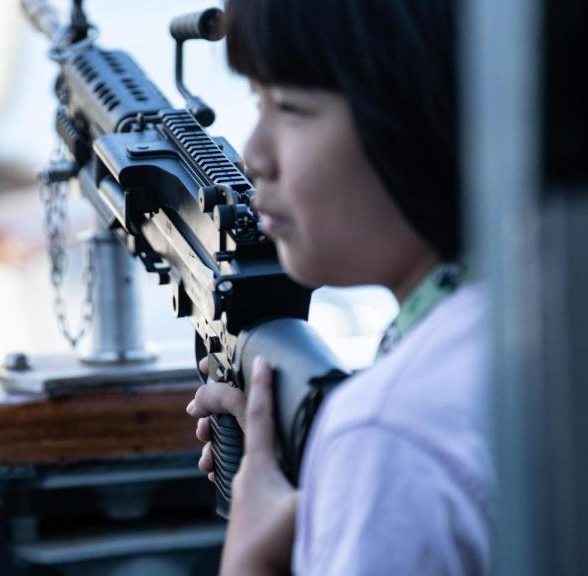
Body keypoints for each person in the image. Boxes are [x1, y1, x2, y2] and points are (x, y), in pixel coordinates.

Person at [184, 0, 493, 574]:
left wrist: (251, 556)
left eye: (291, 108)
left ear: (417, 115)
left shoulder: (388, 435)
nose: (253, 156)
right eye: (257, 103)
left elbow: (402, 437)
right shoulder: (565, 317)